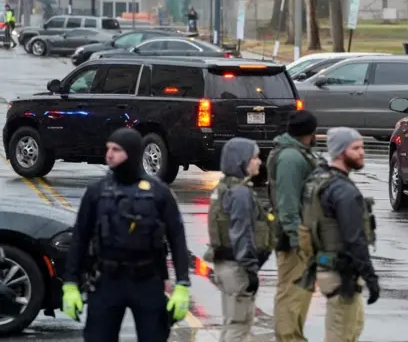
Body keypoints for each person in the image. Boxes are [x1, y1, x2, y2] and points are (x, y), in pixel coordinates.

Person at [62, 128, 191, 342]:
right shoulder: (97, 191)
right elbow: (79, 238)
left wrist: (182, 284)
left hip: (147, 280)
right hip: (106, 280)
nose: (109, 154)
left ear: (130, 153)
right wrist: (70, 283)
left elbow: (177, 238)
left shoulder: (159, 192)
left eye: (116, 149)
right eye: (108, 149)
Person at [296, 127, 380, 342]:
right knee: (342, 333)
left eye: (362, 147)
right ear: (341, 151)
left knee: (352, 327)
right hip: (341, 273)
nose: (362, 152)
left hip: (325, 266)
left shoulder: (319, 179)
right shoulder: (342, 190)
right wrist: (370, 277)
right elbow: (354, 238)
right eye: (356, 148)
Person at [207, 137, 275, 341]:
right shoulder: (241, 194)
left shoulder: (224, 189)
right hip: (238, 268)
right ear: (241, 161)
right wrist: (250, 269)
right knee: (239, 326)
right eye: (254, 157)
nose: (259, 162)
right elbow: (241, 233)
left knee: (230, 323)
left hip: (224, 265)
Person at [266, 110, 320, 341]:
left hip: (298, 236)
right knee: (292, 294)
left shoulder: (296, 154)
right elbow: (287, 205)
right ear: (310, 132)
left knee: (297, 295)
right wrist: (299, 241)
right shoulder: (291, 159)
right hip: (293, 241)